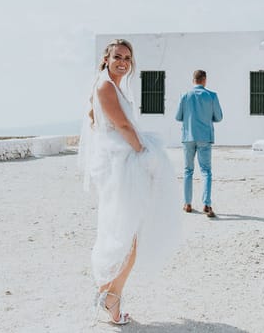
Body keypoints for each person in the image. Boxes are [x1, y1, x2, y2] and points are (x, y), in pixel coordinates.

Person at [78, 39, 180, 325]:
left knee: (122, 230)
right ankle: (111, 297)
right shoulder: (105, 86)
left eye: (127, 58)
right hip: (122, 167)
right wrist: (143, 154)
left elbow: (99, 120)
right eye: (118, 57)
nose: (123, 62)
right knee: (128, 234)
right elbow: (122, 125)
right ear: (106, 59)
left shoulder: (112, 85)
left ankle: (107, 294)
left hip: (120, 164)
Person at [175, 70, 223, 218]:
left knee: (188, 171)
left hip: (188, 137)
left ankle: (187, 203)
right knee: (206, 171)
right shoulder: (212, 95)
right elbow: (219, 117)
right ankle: (206, 204)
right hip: (205, 137)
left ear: (193, 80)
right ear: (204, 80)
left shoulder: (185, 95)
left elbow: (178, 117)